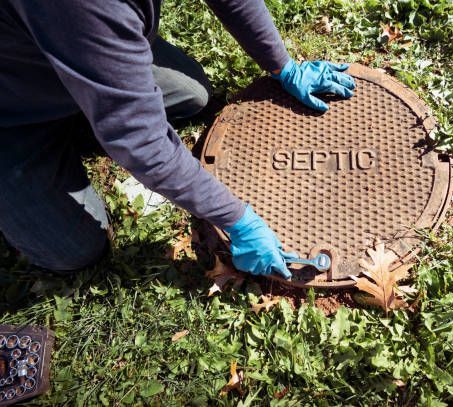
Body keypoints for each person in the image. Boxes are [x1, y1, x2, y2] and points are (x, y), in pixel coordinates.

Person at [0, 1, 355, 279]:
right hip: (14, 113)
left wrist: (282, 65)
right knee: (73, 250)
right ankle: (91, 112)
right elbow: (142, 141)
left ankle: (101, 93)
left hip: (73, 43)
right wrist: (236, 218)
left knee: (193, 95)